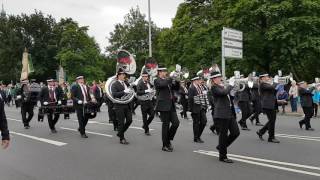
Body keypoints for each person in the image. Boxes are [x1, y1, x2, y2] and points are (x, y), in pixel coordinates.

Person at [210, 72, 240, 163]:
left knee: (235, 132)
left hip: (229, 112)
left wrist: (234, 90)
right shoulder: (214, 87)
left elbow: (229, 96)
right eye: (218, 77)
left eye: (220, 77)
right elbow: (223, 93)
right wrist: (230, 85)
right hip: (221, 113)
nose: (220, 78)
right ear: (214, 79)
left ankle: (221, 147)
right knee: (223, 135)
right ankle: (222, 156)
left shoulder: (223, 86)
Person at [154, 64, 180, 152]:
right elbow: (162, 85)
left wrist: (176, 80)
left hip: (171, 105)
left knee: (176, 123)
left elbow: (176, 88)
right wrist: (170, 78)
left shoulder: (168, 80)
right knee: (165, 125)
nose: (166, 73)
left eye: (166, 71)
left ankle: (168, 139)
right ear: (160, 72)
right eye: (164, 71)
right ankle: (164, 145)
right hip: (163, 105)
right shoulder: (157, 80)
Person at [111, 69, 133, 144]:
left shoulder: (126, 83)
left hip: (127, 104)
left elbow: (132, 91)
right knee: (121, 122)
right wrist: (124, 92)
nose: (124, 76)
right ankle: (122, 138)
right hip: (119, 105)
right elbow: (114, 94)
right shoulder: (114, 84)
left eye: (124, 74)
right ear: (118, 76)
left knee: (130, 120)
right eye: (122, 75)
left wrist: (133, 86)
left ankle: (120, 133)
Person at [256, 74, 280, 143]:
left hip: (271, 104)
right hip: (267, 104)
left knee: (272, 120)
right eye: (265, 77)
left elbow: (274, 91)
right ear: (261, 79)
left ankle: (261, 131)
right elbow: (272, 87)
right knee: (272, 121)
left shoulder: (268, 84)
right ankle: (271, 138)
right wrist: (275, 82)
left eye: (267, 77)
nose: (267, 78)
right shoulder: (262, 84)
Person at [188, 75, 207, 143]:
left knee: (204, 121)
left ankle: (198, 135)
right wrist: (190, 109)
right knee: (196, 123)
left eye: (199, 80)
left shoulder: (200, 87)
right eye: (198, 80)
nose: (199, 81)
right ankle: (196, 137)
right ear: (194, 81)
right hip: (195, 108)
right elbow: (190, 99)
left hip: (202, 107)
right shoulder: (191, 88)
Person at [136, 70, 155, 136]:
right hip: (143, 102)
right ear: (142, 76)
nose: (145, 77)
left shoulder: (148, 82)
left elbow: (151, 89)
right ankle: (147, 130)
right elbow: (138, 92)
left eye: (146, 76)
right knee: (144, 117)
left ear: (147, 77)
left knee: (152, 115)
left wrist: (152, 91)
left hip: (149, 101)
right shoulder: (139, 83)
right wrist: (146, 90)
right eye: (143, 76)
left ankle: (145, 125)